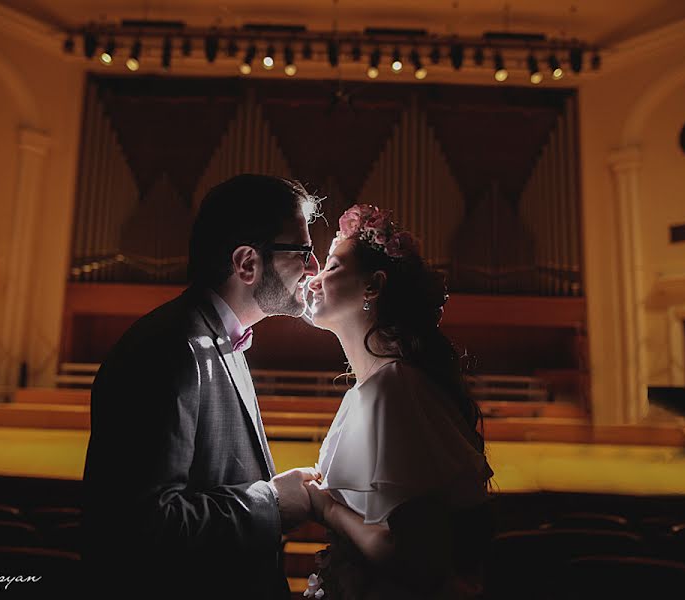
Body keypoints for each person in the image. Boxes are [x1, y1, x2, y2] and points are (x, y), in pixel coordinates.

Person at [82, 174, 322, 598]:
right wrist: (271, 503)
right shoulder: (169, 349)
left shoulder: (217, 337)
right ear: (247, 263)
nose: (314, 267)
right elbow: (141, 527)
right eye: (303, 251)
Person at [302, 204, 495, 599]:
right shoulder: (373, 387)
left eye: (333, 267)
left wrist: (326, 509)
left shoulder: (396, 387)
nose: (314, 280)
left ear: (372, 286)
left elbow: (412, 556)